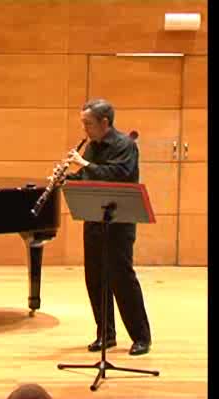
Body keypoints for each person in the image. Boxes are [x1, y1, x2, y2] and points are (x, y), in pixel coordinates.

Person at [63, 98, 152, 356]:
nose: (85, 130)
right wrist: (67, 179)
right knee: (95, 278)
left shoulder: (126, 146)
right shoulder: (92, 146)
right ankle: (106, 334)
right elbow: (86, 176)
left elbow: (118, 174)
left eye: (88, 124)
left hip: (119, 223)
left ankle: (141, 337)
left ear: (104, 123)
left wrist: (85, 165)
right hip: (94, 219)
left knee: (121, 279)